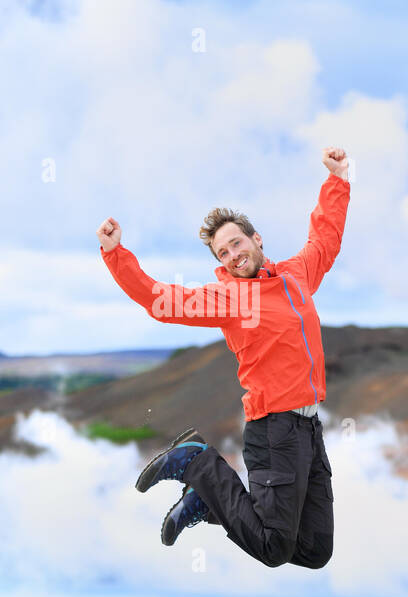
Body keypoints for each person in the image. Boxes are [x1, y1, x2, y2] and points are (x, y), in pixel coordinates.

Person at [96, 147, 350, 568]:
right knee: (273, 549)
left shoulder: (297, 275)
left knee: (315, 550)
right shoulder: (231, 298)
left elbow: (326, 236)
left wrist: (338, 179)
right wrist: (115, 255)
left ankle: (208, 502)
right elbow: (162, 300)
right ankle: (197, 462)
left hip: (309, 427)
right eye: (223, 254)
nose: (233, 256)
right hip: (274, 430)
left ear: (256, 238)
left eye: (236, 243)